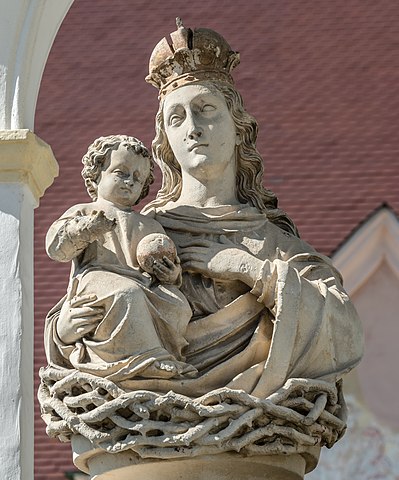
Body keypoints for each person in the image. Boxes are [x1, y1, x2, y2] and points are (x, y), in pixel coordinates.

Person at [54, 23, 363, 403]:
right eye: (176, 119)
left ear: (238, 129)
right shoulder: (145, 231)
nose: (193, 129)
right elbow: (88, 288)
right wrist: (64, 333)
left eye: (206, 111)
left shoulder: (273, 242)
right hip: (144, 425)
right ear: (166, 142)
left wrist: (250, 269)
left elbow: (345, 333)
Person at [44, 134, 195, 382]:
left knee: (178, 305)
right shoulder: (84, 212)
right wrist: (86, 228)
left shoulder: (149, 224)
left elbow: (169, 262)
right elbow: (56, 249)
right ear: (96, 174)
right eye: (120, 172)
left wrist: (172, 275)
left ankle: (155, 353)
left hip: (142, 283)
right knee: (127, 293)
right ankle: (147, 360)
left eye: (138, 178)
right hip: (96, 280)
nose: (129, 182)